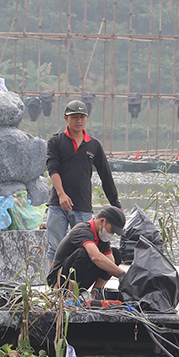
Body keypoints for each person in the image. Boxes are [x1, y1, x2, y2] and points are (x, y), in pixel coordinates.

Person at [45, 99, 122, 265]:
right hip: (58, 205)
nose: (78, 120)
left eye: (81, 117)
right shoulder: (56, 141)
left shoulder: (93, 145)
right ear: (66, 118)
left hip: (82, 206)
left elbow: (105, 175)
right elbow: (53, 168)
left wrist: (115, 203)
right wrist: (61, 194)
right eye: (74, 117)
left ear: (86, 118)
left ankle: (76, 287)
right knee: (55, 249)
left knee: (85, 249)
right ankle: (55, 287)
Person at [47, 206, 126, 295]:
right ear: (102, 221)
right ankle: (71, 296)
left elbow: (111, 263)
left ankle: (96, 293)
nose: (112, 234)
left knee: (115, 254)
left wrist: (128, 278)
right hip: (61, 280)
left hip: (81, 277)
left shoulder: (102, 238)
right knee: (84, 253)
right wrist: (123, 274)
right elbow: (95, 257)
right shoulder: (82, 231)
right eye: (111, 230)